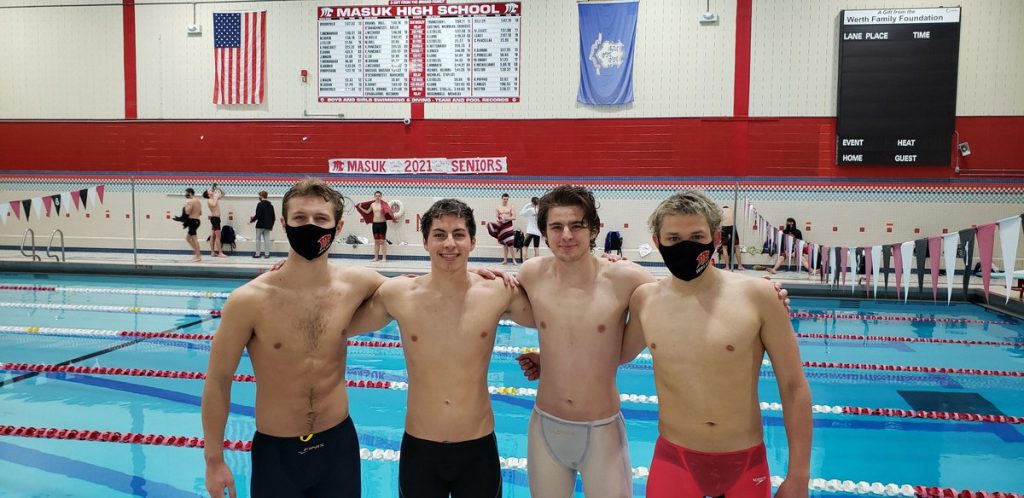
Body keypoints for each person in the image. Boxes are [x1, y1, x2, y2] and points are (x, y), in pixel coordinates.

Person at [513, 185, 789, 498]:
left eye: (577, 225)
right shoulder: (530, 274)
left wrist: (763, 294)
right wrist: (548, 357)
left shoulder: (630, 279)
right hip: (546, 422)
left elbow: (684, 295)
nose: (566, 235)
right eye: (556, 227)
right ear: (544, 231)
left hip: (602, 427)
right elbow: (539, 319)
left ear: (594, 230)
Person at [202, 179, 387, 498]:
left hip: (338, 446)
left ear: (338, 226)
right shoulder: (248, 301)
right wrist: (214, 460)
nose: (310, 227)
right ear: (284, 223)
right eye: (300, 218)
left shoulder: (357, 283)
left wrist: (474, 275)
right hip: (277, 454)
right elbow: (218, 381)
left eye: (320, 219)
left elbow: (420, 293)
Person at [620, 190, 811, 498]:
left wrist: (799, 476)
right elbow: (612, 355)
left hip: (744, 458)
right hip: (675, 458)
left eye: (697, 236)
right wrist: (603, 272)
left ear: (716, 237)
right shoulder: (646, 300)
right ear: (657, 241)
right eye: (673, 238)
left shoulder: (758, 296)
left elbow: (794, 387)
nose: (686, 246)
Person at [346, 198, 534, 498]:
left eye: (459, 234)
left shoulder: (498, 292)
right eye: (439, 234)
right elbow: (337, 325)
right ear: (425, 242)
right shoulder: (399, 294)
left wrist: (547, 357)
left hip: (478, 446)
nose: (450, 244)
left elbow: (559, 321)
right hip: (420, 448)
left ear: (473, 242)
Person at [355, 190, 394, 262]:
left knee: (382, 241)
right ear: (374, 196)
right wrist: (360, 207)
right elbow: (367, 212)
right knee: (376, 241)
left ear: (381, 197)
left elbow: (389, 211)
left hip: (382, 224)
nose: (378, 197)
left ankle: (384, 258)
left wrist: (392, 216)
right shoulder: (372, 205)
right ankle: (376, 258)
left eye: (379, 196)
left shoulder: (384, 204)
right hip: (375, 224)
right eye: (376, 196)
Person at [490, 193, 518, 265]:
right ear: (502, 199)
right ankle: (505, 260)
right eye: (504, 199)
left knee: (511, 244)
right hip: (502, 227)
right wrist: (499, 220)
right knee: (504, 244)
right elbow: (497, 218)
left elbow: (514, 217)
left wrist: (506, 218)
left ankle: (514, 260)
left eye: (507, 199)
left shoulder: (510, 207)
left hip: (509, 226)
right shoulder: (498, 208)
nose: (505, 200)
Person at [249, 191, 275, 258]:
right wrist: (271, 225)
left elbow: (258, 215)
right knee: (267, 240)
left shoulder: (259, 204)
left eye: (259, 196)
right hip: (267, 226)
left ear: (261, 196)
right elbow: (273, 217)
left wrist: (252, 220)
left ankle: (257, 254)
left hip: (260, 225)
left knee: (258, 239)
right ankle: (267, 254)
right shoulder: (271, 206)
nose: (259, 197)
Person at [204, 183, 227, 258]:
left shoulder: (213, 198)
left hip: (216, 219)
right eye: (209, 191)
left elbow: (224, 194)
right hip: (215, 219)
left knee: (213, 236)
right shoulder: (210, 200)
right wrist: (216, 197)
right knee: (218, 236)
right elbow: (213, 204)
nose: (211, 190)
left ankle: (212, 252)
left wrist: (218, 188)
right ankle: (220, 253)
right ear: (208, 194)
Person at [720, 204, 743, 271]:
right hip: (732, 228)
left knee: (724, 248)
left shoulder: (720, 210)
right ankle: (740, 266)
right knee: (737, 246)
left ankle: (727, 267)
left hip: (724, 228)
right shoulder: (731, 210)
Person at [519, 196, 542, 260]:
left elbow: (521, 213)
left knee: (525, 247)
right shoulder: (540, 211)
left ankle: (524, 262)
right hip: (537, 232)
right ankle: (537, 262)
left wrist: (528, 205)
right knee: (536, 248)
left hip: (530, 231)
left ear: (532, 202)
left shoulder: (530, 210)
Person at [183, 188, 202, 263]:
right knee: (188, 238)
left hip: (192, 221)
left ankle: (198, 256)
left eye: (187, 193)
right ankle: (197, 253)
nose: (186, 194)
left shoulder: (191, 201)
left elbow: (187, 212)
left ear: (190, 193)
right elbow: (200, 213)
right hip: (197, 220)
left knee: (194, 239)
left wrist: (186, 205)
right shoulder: (198, 201)